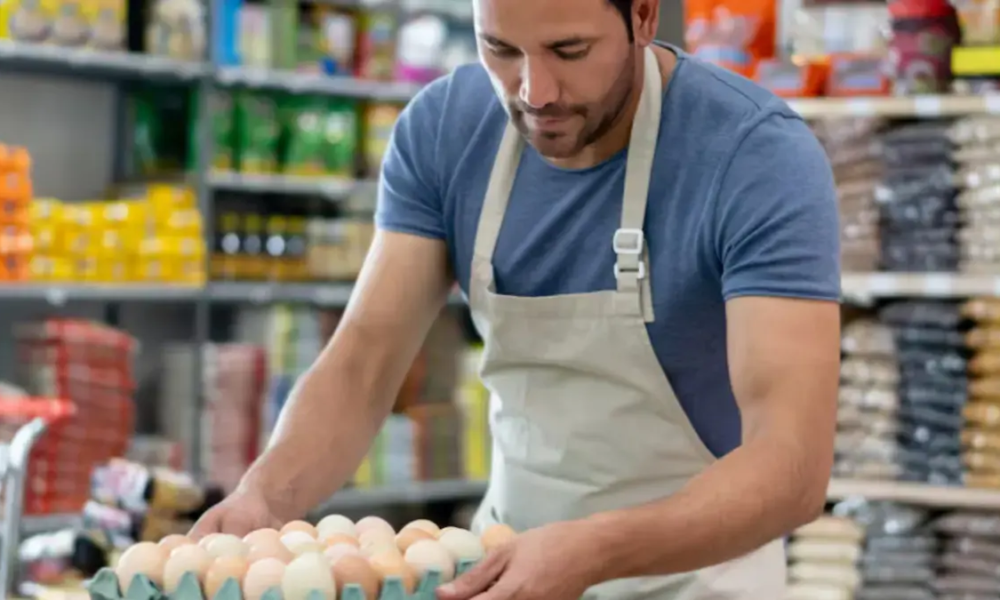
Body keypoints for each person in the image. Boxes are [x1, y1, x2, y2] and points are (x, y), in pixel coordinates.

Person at [191, 0, 841, 597]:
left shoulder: (753, 155)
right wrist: (264, 498)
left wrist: (592, 549)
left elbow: (789, 465)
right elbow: (363, 361)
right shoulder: (446, 130)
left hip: (698, 580)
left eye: (569, 51)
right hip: (506, 568)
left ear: (643, 16)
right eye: (500, 49)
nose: (534, 92)